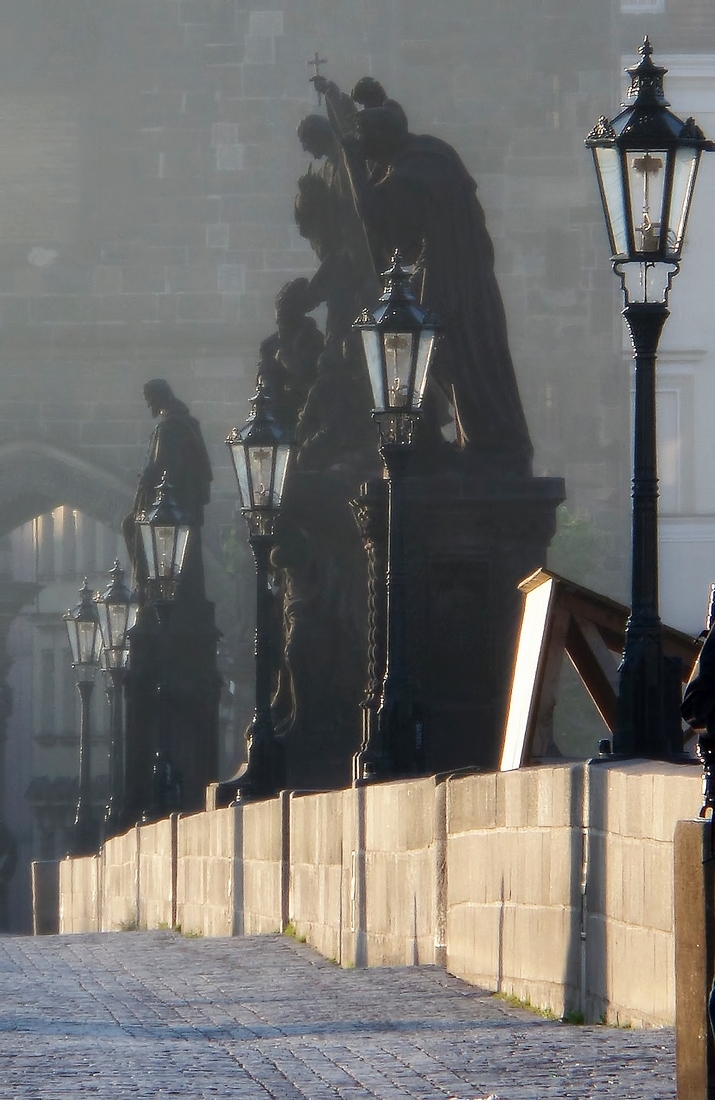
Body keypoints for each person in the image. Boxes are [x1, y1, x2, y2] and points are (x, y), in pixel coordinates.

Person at [343, 106, 534, 475]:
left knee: (454, 356)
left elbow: (383, 220)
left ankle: (487, 443)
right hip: (461, 275)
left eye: (369, 143)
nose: (368, 152)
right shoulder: (432, 154)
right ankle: (480, 439)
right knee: (455, 357)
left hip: (451, 280)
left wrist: (354, 170)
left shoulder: (414, 172)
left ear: (383, 137)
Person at [124, 380, 213, 600]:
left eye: (149, 400)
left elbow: (167, 466)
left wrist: (148, 477)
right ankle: (151, 584)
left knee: (132, 527)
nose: (148, 406)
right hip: (182, 503)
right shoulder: (185, 423)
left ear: (158, 397)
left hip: (170, 505)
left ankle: (147, 586)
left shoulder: (170, 426)